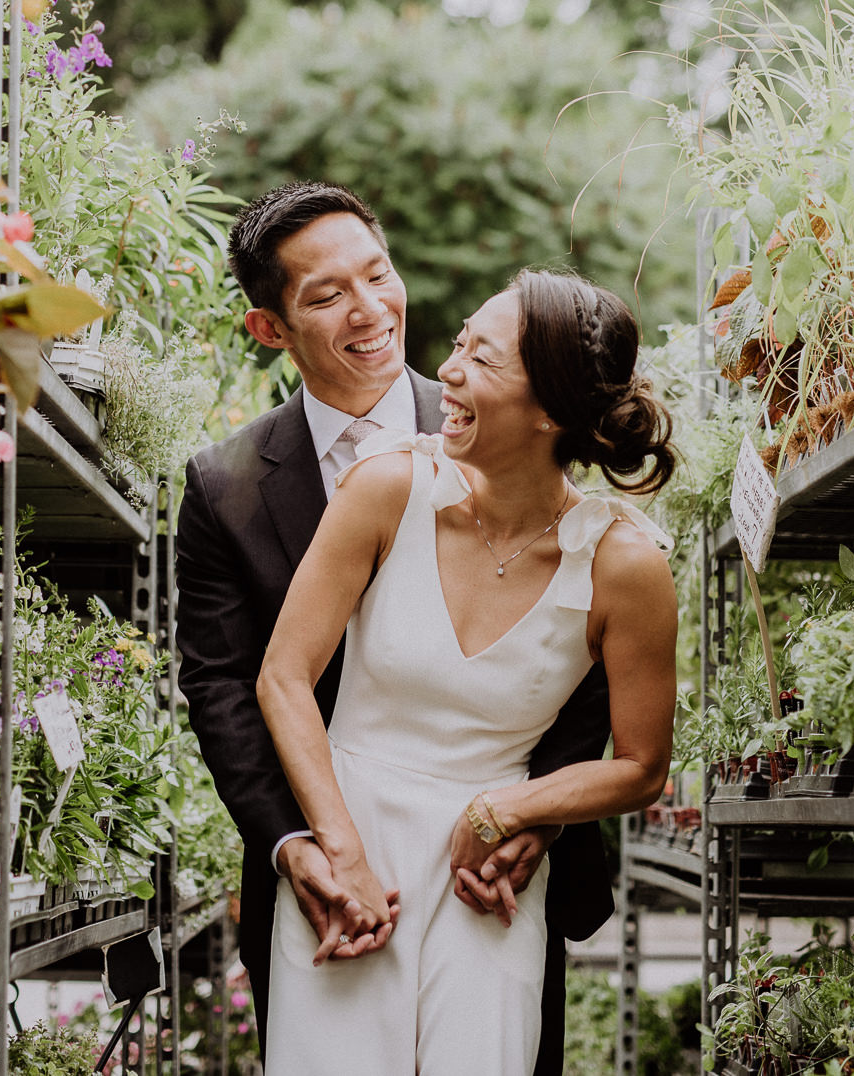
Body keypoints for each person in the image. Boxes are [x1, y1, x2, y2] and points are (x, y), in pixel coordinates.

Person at [175, 185, 624, 1073]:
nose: (370, 308)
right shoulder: (224, 487)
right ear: (270, 329)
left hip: (489, 867)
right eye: (326, 295)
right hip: (327, 870)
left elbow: (582, 650)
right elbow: (221, 685)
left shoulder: (503, 420)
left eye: (377, 274)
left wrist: (538, 816)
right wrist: (295, 844)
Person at [255, 267, 679, 1073]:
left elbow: (640, 766)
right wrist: (339, 852)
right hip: (350, 845)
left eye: (480, 360)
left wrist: (512, 810)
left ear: (549, 409)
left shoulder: (625, 564)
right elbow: (283, 677)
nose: (445, 371)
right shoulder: (386, 488)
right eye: (458, 345)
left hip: (488, 877)